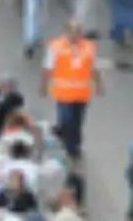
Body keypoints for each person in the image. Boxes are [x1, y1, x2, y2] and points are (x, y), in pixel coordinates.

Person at [41, 19, 103, 160]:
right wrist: (44, 86)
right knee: (67, 119)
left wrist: (99, 85)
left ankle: (75, 144)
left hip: (81, 94)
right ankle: (69, 146)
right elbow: (48, 67)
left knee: (77, 121)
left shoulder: (89, 47)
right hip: (64, 94)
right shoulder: (56, 46)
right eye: (72, 31)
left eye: (78, 31)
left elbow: (94, 68)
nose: (75, 35)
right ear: (66, 32)